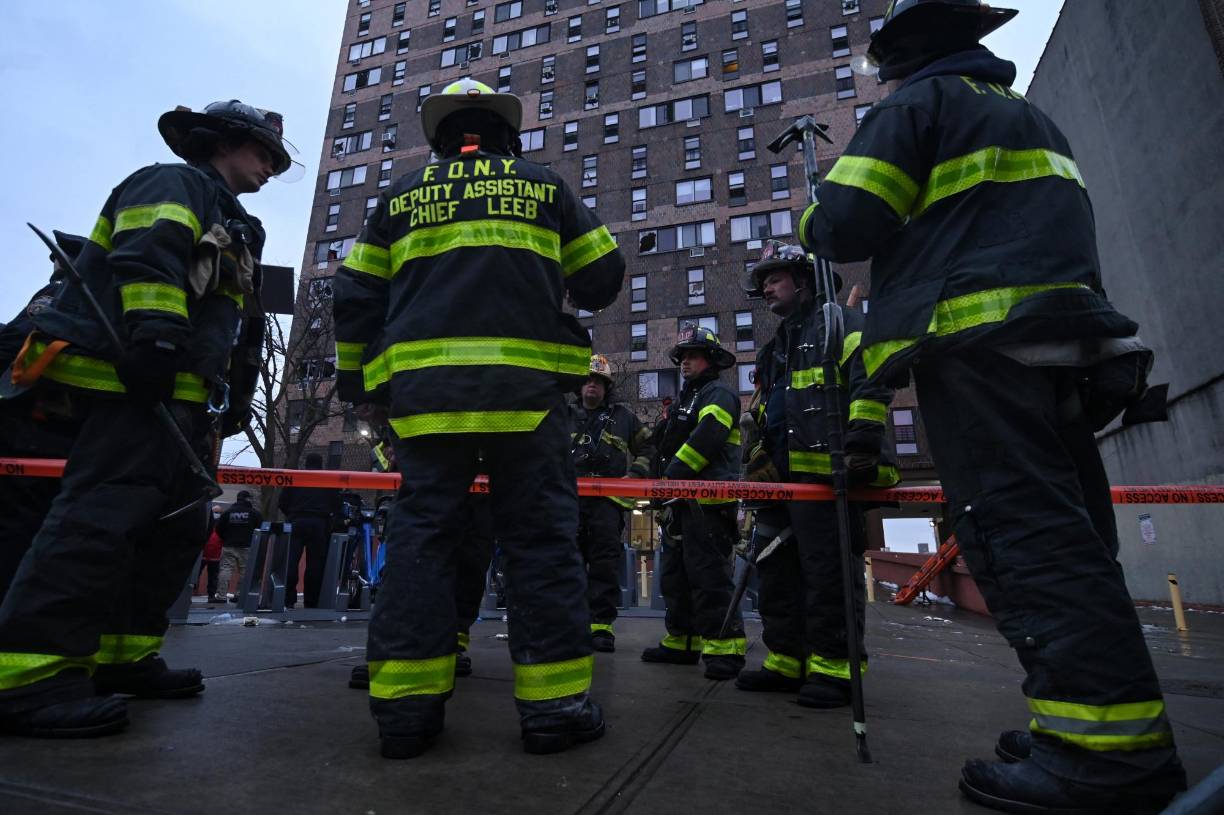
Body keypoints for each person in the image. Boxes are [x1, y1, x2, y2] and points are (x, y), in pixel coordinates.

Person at [801, 2, 1185, 811]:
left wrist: (813, 203)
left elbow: (841, 223)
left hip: (978, 346)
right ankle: (1087, 726)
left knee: (1022, 539)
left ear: (900, 61)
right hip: (1063, 345)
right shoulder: (1027, 116)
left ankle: (1101, 758)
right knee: (1073, 536)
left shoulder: (914, 107)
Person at [333, 78, 624, 758]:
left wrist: (362, 384)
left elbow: (354, 294)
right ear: (506, 134)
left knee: (421, 543)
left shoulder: (399, 197)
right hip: (526, 404)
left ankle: (405, 711)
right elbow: (604, 278)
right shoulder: (543, 185)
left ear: (440, 138)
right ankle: (553, 706)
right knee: (541, 545)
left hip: (427, 408)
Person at [0, 99, 290, 738]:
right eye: (262, 151)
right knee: (96, 522)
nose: (271, 165)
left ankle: (122, 656)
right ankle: (30, 679)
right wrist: (157, 338)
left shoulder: (236, 218)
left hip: (185, 399)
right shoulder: (173, 182)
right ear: (220, 142)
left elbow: (238, 319)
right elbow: (148, 255)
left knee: (169, 531)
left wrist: (232, 395)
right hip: (129, 387)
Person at [734, 241, 899, 708]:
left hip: (828, 479)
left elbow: (872, 374)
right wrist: (759, 452)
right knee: (776, 573)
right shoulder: (775, 349)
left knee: (827, 574)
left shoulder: (839, 324)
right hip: (782, 485)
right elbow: (765, 409)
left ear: (804, 280)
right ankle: (787, 661)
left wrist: (862, 441)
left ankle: (834, 669)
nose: (766, 286)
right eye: (763, 281)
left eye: (775, 277)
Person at [641, 325, 745, 680]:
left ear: (711, 359)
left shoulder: (719, 394)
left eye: (693, 356)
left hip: (709, 501)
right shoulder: (686, 400)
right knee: (676, 575)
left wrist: (672, 476)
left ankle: (724, 649)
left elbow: (708, 437)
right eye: (682, 357)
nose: (685, 362)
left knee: (709, 575)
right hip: (680, 502)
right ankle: (682, 642)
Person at [569, 354, 654, 653]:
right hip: (569, 502)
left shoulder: (624, 417)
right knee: (569, 563)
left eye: (599, 382)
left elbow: (649, 445)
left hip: (608, 503)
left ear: (607, 388)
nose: (592, 386)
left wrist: (636, 473)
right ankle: (571, 625)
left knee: (604, 563)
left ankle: (601, 627)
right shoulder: (564, 415)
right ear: (580, 387)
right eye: (588, 381)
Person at [276, 453, 340, 608]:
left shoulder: (297, 478)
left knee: (291, 561)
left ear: (306, 463)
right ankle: (312, 600)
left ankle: (287, 598)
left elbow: (282, 502)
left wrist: (291, 515)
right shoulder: (328, 479)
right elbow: (336, 504)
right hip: (319, 523)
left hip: (296, 521)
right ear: (321, 463)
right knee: (316, 564)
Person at [215, 490, 263, 603]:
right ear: (248, 499)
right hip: (247, 546)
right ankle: (240, 595)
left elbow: (218, 528)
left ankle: (221, 596)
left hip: (229, 545)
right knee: (245, 571)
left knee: (225, 569)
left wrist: (226, 538)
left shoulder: (228, 512)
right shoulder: (254, 513)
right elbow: (261, 529)